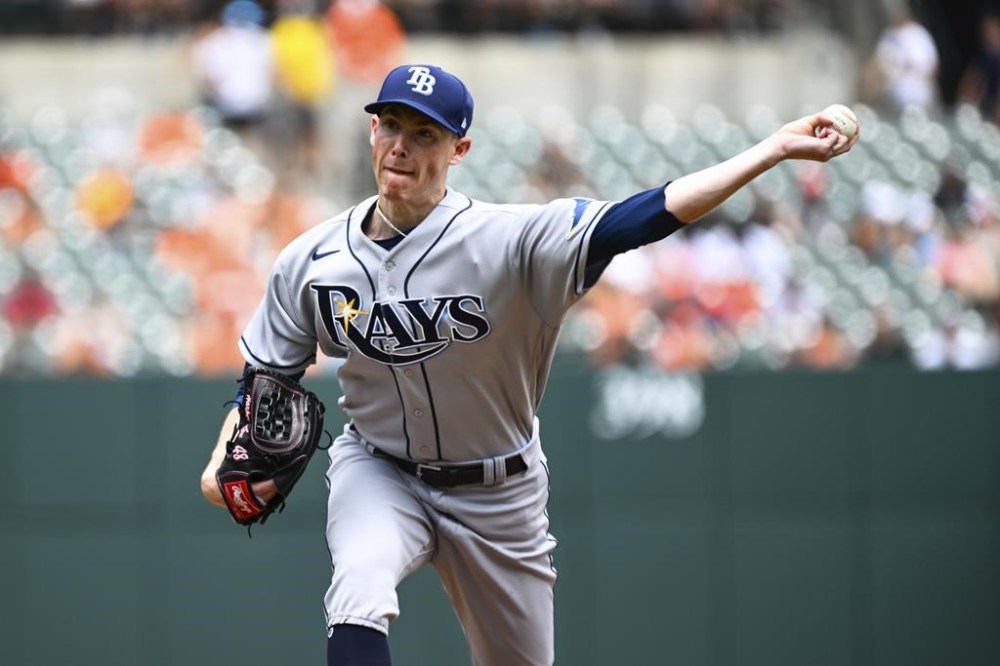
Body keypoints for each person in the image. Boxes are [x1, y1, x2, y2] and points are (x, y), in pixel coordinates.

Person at [200, 63, 858, 665]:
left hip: (499, 490)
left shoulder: (512, 238)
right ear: (372, 130)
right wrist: (222, 454)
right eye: (391, 125)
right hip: (379, 469)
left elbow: (642, 217)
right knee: (357, 591)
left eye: (425, 134)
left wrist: (772, 150)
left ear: (460, 149)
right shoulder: (311, 261)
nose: (401, 146)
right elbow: (267, 382)